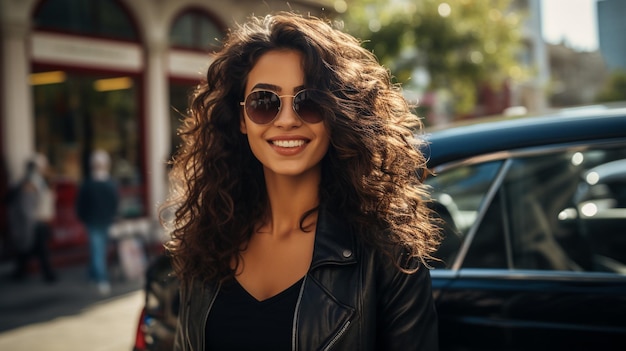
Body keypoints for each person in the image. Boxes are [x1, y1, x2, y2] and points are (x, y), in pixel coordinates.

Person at [162, 12, 441, 350]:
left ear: (337, 114)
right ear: (240, 118)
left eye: (309, 102)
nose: (287, 120)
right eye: (264, 102)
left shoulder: (390, 254)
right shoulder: (207, 238)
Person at [8, 154, 57, 283]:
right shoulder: (31, 183)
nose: (46, 168)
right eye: (43, 166)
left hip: (39, 221)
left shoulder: (38, 181)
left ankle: (20, 272)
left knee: (32, 249)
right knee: (38, 249)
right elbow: (27, 207)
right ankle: (47, 274)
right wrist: (31, 224)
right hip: (35, 222)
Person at [76, 149, 119, 295]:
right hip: (98, 221)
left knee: (97, 251)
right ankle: (98, 278)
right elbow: (82, 204)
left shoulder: (96, 183)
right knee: (98, 251)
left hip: (98, 221)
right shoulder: (102, 183)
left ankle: (98, 278)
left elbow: (81, 204)